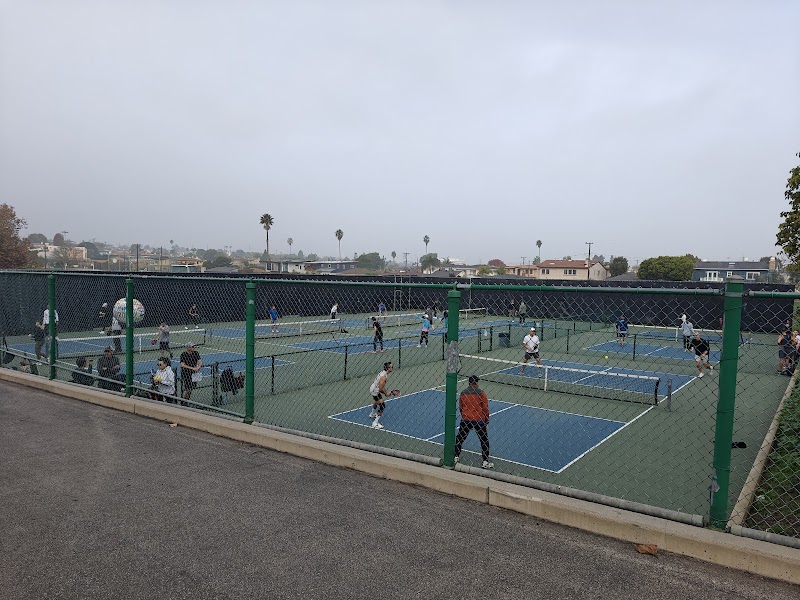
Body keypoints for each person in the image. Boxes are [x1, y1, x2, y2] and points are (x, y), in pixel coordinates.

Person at [454, 375, 493, 469]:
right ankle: (485, 461)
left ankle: (456, 457)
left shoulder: (463, 393)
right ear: (477, 383)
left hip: (466, 420)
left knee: (460, 438)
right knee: (484, 440)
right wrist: (486, 421)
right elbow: (485, 408)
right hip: (479, 420)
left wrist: (464, 416)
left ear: (469, 382)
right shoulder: (481, 393)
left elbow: (461, 406)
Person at [368, 361, 393, 429]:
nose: (392, 368)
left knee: (377, 401)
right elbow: (380, 389)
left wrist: (387, 392)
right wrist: (386, 393)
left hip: (373, 389)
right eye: (391, 367)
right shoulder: (383, 377)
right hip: (375, 391)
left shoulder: (383, 373)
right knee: (382, 405)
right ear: (388, 368)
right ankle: (375, 423)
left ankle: (372, 414)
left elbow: (382, 387)